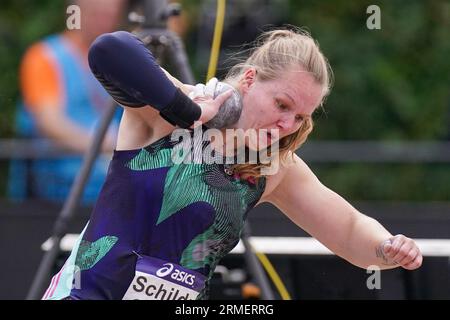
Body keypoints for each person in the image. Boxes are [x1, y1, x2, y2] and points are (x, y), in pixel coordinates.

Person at [42, 28, 422, 300]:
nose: (286, 125)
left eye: (300, 118)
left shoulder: (274, 168)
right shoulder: (171, 109)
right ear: (251, 80)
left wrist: (387, 247)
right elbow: (109, 49)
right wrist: (186, 110)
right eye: (282, 105)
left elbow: (349, 229)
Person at [8, 0, 127, 204]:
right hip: (58, 185)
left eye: (111, 14)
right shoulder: (44, 57)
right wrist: (107, 145)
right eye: (98, 14)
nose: (105, 22)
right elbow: (50, 123)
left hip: (113, 179)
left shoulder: (118, 60)